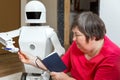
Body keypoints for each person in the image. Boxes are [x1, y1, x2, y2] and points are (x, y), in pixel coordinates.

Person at [18, 11, 120, 80]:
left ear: (93, 36)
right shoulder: (77, 45)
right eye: (73, 34)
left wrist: (65, 78)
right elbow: (59, 67)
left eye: (77, 35)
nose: (73, 39)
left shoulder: (112, 58)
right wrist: (32, 60)